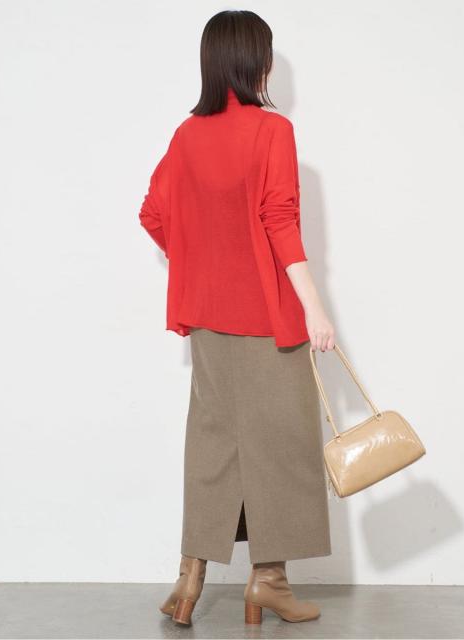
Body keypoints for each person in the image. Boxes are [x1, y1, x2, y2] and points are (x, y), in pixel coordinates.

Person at [139, 9, 335, 626]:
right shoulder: (272, 130)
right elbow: (280, 219)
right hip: (266, 316)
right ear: (258, 62)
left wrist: (201, 262)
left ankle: (189, 579)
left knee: (214, 443)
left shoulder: (186, 135)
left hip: (205, 318)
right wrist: (315, 307)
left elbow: (153, 214)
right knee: (282, 442)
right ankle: (268, 581)